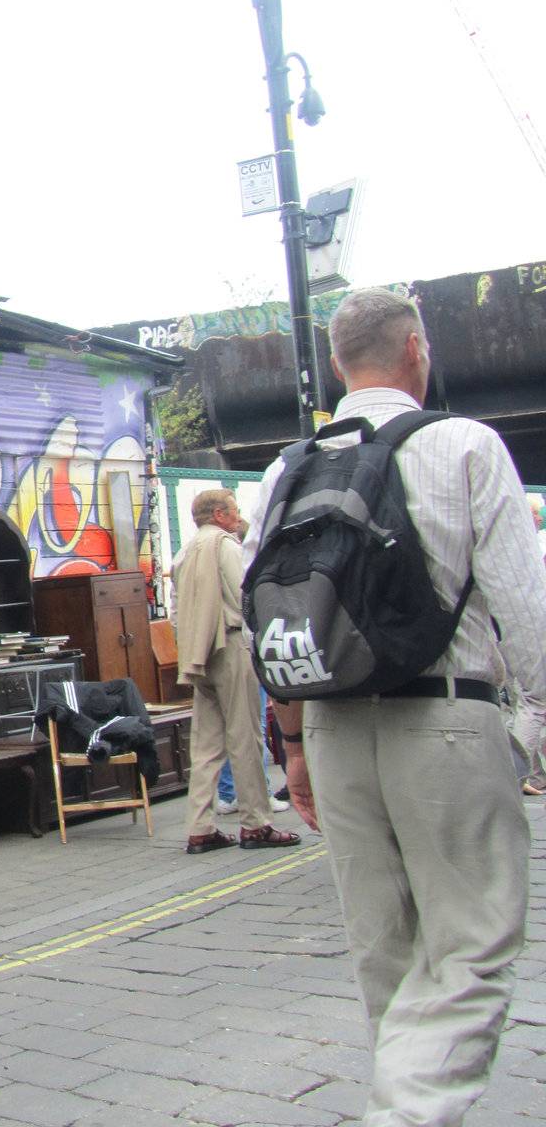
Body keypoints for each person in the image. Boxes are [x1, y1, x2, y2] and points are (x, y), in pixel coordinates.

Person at [247, 288, 546, 1125]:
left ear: (340, 365)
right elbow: (527, 608)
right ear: (415, 348)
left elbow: (265, 616)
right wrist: (536, 730)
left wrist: (294, 746)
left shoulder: (286, 469)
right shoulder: (465, 445)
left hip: (336, 729)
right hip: (447, 722)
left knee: (387, 957)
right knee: (472, 950)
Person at [173, 487, 299, 854]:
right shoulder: (226, 546)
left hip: (198, 654)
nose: (238, 514)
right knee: (245, 737)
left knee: (206, 744)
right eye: (234, 509)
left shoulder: (184, 553)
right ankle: (256, 823)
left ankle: (200, 827)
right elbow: (246, 596)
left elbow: (177, 612)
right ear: (219, 515)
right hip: (229, 646)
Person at [215, 514, 288, 816]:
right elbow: (246, 601)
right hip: (242, 648)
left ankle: (228, 792)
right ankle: (260, 794)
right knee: (251, 727)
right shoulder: (234, 556)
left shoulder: (193, 553)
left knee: (228, 728)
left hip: (213, 651)